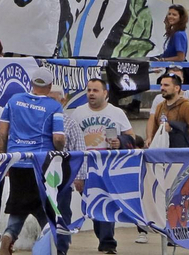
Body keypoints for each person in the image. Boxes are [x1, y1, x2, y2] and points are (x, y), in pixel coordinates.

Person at [0, 66, 70, 255]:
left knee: (18, 206)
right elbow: (58, 138)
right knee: (46, 208)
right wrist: (59, 153)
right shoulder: (54, 106)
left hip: (17, 161)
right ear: (50, 86)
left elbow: (2, 132)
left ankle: (9, 235)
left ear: (31, 83)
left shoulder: (14, 100)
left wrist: (4, 157)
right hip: (41, 163)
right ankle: (51, 243)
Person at [65, 77, 131, 254]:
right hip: (86, 166)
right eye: (89, 90)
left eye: (95, 90)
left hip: (109, 166)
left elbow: (132, 137)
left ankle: (108, 243)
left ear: (105, 93)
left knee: (107, 203)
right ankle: (104, 239)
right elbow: (71, 143)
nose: (91, 94)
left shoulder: (116, 113)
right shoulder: (78, 113)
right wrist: (76, 174)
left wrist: (120, 141)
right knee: (94, 206)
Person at [144, 72, 189, 148]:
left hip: (180, 150)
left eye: (166, 85)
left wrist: (173, 128)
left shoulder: (186, 106)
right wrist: (150, 139)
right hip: (163, 149)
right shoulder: (160, 107)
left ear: (177, 88)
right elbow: (155, 129)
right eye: (161, 85)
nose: (162, 88)